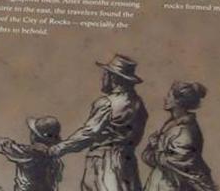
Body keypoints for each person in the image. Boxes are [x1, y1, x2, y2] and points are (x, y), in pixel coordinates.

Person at [50, 54, 148, 191]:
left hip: (104, 162)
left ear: (113, 77)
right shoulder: (139, 104)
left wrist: (59, 148)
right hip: (128, 162)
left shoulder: (107, 103)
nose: (103, 78)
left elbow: (89, 133)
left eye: (105, 74)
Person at [141, 82, 217, 191]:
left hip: (175, 185)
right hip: (161, 182)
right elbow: (153, 158)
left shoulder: (185, 131)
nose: (165, 98)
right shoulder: (171, 125)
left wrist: (154, 150)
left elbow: (176, 162)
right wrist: (153, 148)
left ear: (179, 101)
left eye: (169, 96)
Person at [0, 115, 64, 191]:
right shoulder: (55, 158)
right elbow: (58, 178)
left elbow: (12, 148)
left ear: (34, 136)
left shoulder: (32, 153)